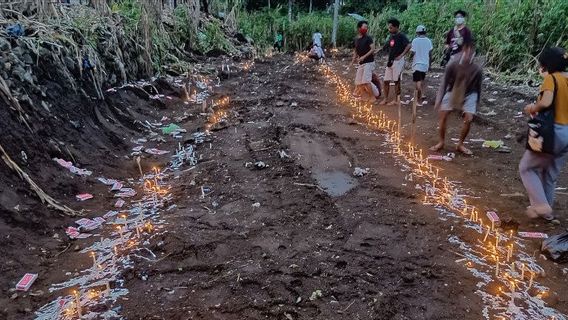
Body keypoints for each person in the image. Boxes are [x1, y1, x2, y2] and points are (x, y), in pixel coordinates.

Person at [519, 47, 568, 222]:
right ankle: (547, 213)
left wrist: (532, 108)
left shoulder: (551, 79)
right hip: (566, 134)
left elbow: (546, 101)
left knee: (527, 168)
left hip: (552, 132)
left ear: (546, 65)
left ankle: (540, 205)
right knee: (549, 174)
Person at [430, 42, 482, 156]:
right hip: (452, 89)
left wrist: (477, 102)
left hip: (470, 93)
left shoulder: (477, 69)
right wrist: (439, 100)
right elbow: (444, 83)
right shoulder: (452, 65)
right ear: (463, 50)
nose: (469, 53)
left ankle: (460, 144)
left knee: (469, 118)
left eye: (471, 51)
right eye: (467, 50)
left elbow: (478, 87)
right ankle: (441, 142)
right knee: (443, 115)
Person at [380, 18, 410, 105]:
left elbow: (408, 45)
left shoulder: (401, 36)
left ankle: (396, 100)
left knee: (396, 80)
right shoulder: (391, 37)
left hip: (398, 61)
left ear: (396, 27)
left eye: (391, 28)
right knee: (386, 80)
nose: (389, 30)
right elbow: (385, 47)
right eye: (389, 28)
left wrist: (401, 55)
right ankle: (386, 99)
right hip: (391, 60)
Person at [409, 25, 433, 106]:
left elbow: (412, 52)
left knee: (417, 82)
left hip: (417, 64)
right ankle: (418, 97)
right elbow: (430, 54)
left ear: (417, 32)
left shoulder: (415, 41)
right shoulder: (428, 41)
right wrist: (430, 65)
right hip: (425, 64)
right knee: (422, 80)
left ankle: (420, 98)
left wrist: (409, 58)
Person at [352, 20, 376, 101]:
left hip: (369, 62)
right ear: (359, 28)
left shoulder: (368, 38)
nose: (366, 29)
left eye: (366, 27)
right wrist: (353, 60)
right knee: (358, 81)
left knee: (366, 81)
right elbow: (356, 50)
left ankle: (372, 97)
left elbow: (373, 49)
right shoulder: (356, 39)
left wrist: (364, 57)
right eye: (364, 27)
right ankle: (363, 96)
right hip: (361, 63)